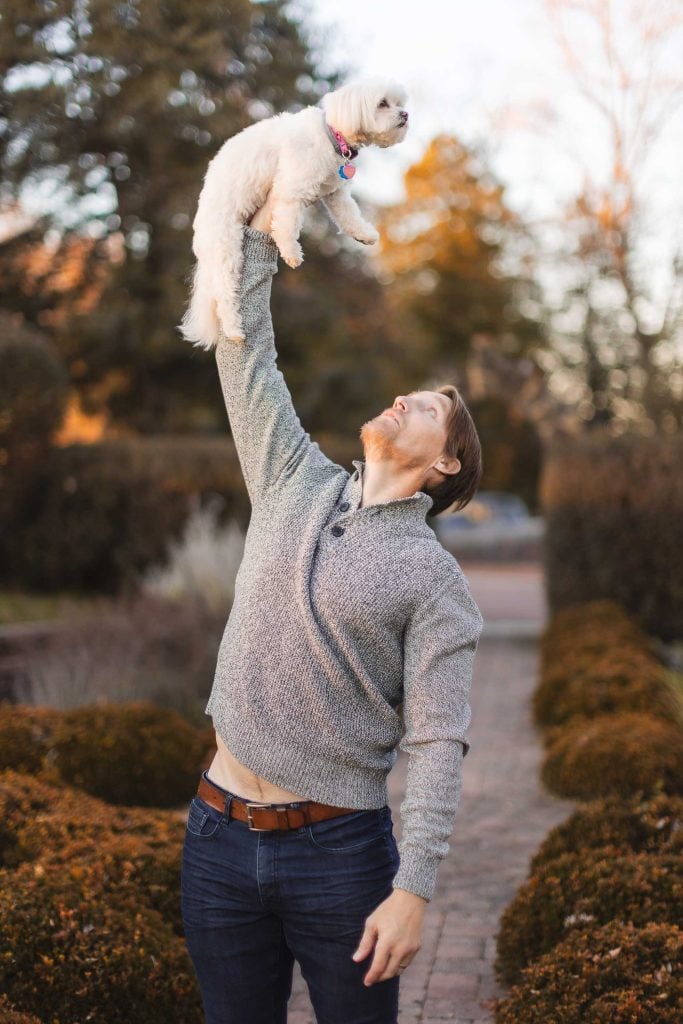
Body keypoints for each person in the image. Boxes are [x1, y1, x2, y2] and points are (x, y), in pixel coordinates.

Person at [180, 196, 485, 1024]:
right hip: (214, 835)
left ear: (444, 462)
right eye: (409, 393)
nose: (404, 400)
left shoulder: (434, 583)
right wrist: (254, 228)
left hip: (339, 859)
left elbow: (435, 738)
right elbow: (247, 360)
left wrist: (412, 889)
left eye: (426, 408)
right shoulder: (292, 481)